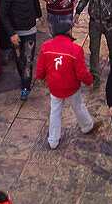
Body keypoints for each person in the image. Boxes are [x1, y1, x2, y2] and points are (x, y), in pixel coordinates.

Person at [35, 19, 102, 149]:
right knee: (78, 106)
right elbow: (82, 73)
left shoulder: (46, 46)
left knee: (55, 112)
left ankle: (53, 141)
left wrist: (40, 77)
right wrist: (90, 82)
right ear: (68, 31)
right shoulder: (75, 49)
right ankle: (87, 126)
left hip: (54, 87)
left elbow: (40, 68)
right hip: (72, 87)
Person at [0, 0, 41, 98]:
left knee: (28, 59)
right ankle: (24, 79)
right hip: (16, 33)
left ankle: (25, 86)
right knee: (19, 60)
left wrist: (39, 15)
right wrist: (11, 33)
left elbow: (35, 2)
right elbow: (3, 15)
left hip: (30, 30)